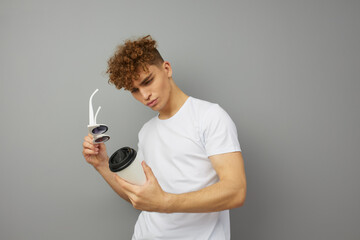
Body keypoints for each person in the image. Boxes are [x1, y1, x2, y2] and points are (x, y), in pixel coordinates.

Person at [82, 35, 247, 240]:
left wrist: (165, 202)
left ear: (166, 69)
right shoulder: (146, 131)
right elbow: (141, 197)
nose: (144, 95)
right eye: (135, 90)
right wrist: (101, 164)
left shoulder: (210, 116)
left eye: (148, 81)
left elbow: (236, 190)